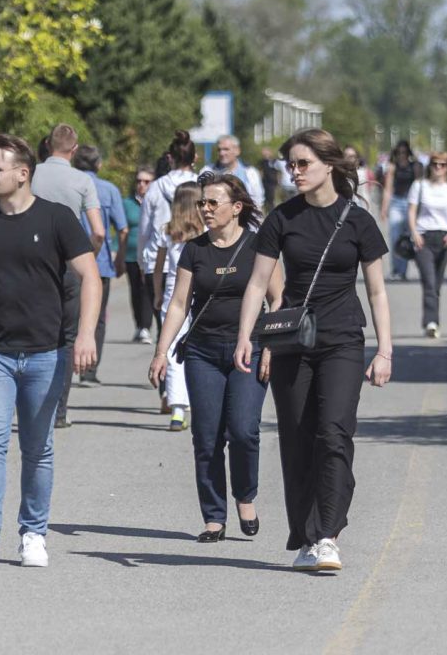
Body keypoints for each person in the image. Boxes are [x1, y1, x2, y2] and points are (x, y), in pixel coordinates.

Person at [235, 128, 393, 573]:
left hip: (343, 337)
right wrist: (246, 336)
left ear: (329, 165)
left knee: (334, 433)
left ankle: (328, 534)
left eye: (303, 163)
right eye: (291, 164)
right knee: (298, 438)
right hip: (292, 342)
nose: (295, 171)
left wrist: (386, 351)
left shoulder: (358, 220)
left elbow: (377, 292)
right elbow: (257, 283)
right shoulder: (282, 218)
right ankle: (306, 537)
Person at [0, 134, 101, 570]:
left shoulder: (57, 219)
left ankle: (33, 533)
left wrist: (85, 335)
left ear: (22, 173)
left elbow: (90, 277)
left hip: (45, 354)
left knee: (37, 448)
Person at [151, 173, 283, 541]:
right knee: (206, 437)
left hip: (250, 350)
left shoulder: (260, 246)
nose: (205, 210)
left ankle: (245, 495)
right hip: (202, 352)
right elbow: (178, 304)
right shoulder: (194, 250)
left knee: (243, 430)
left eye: (213, 203)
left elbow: (278, 298)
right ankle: (213, 516)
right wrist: (161, 351)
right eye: (202, 203)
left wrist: (271, 345)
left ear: (236, 208)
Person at [32, 124, 105, 426]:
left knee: (32, 334)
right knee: (66, 337)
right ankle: (58, 411)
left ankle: (28, 404)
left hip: (31, 265)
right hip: (68, 266)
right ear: (74, 150)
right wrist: (87, 259)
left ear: (47, 144)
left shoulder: (30, 174)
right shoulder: (82, 180)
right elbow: (99, 232)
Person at [72, 144, 128, 385]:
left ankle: (67, 364)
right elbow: (122, 229)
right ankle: (89, 369)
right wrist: (120, 258)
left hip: (67, 261)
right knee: (98, 317)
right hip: (100, 262)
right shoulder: (109, 190)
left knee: (69, 316)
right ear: (99, 164)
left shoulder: (69, 184)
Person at [150, 182, 203, 431]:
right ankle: (195, 401)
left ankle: (178, 409)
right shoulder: (205, 231)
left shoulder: (168, 230)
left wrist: (158, 294)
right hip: (200, 290)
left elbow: (158, 268)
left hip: (174, 291)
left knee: (172, 350)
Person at [140, 131, 199, 330]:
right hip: (196, 266)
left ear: (169, 158)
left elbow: (145, 230)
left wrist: (142, 261)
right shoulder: (202, 186)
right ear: (195, 158)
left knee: (165, 329)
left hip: (160, 264)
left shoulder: (155, 187)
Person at [407, 153, 447, 339]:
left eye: (443, 165)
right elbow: (412, 211)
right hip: (424, 237)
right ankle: (432, 322)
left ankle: (431, 320)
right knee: (429, 282)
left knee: (437, 284)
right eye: (435, 164)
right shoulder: (419, 186)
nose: (438, 168)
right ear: (429, 166)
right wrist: (414, 233)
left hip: (444, 238)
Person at [121, 167, 155, 344]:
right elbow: (122, 229)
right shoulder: (127, 204)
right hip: (131, 255)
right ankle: (139, 325)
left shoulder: (156, 201)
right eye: (139, 181)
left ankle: (146, 327)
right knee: (135, 291)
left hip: (150, 255)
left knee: (147, 291)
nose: (142, 185)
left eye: (146, 181)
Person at [381, 140, 422, 281]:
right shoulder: (393, 167)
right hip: (397, 202)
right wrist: (384, 208)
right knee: (395, 237)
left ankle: (404, 270)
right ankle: (397, 269)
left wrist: (420, 207)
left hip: (411, 203)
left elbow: (419, 185)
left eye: (404, 152)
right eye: (399, 152)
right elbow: (388, 188)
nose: (402, 155)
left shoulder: (414, 166)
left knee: (409, 237)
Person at [200, 134, 265, 209]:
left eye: (226, 149)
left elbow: (257, 201)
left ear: (237, 151)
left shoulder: (250, 172)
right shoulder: (207, 171)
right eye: (219, 150)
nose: (222, 153)